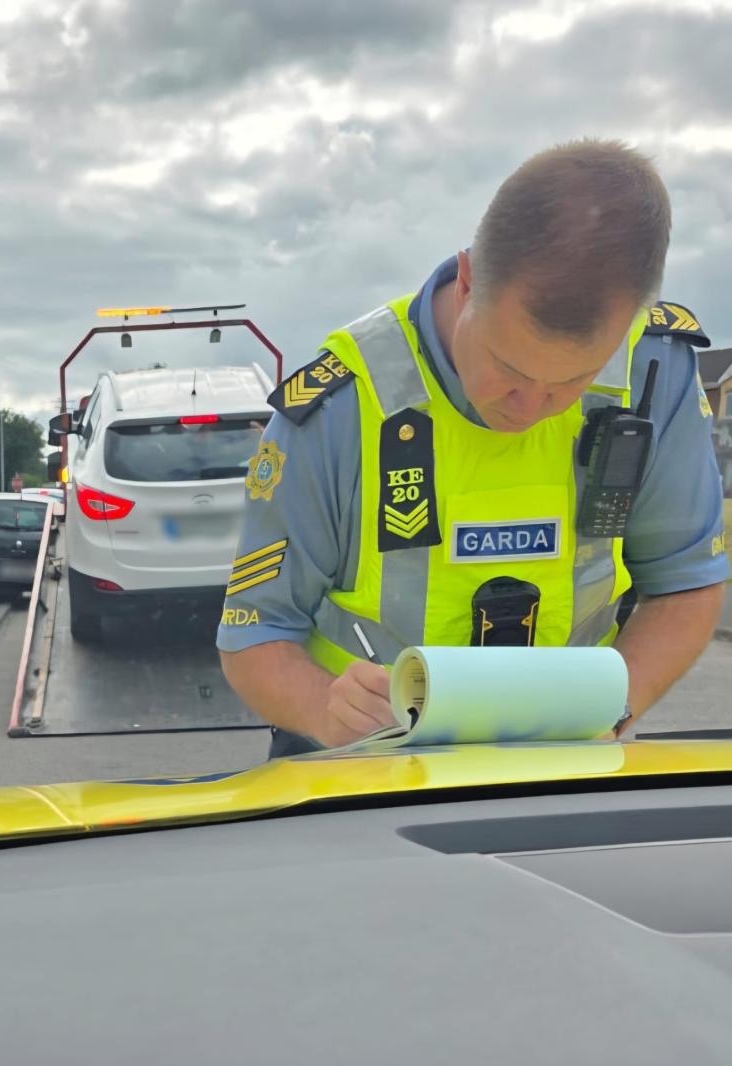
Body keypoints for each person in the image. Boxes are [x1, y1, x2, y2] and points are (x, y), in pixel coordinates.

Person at [216, 138, 730, 757]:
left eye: (572, 380)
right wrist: (325, 708)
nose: (530, 407)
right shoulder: (342, 403)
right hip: (363, 769)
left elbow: (684, 584)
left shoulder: (652, 370)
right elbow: (255, 633)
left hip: (567, 762)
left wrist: (615, 708)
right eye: (507, 367)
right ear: (467, 283)